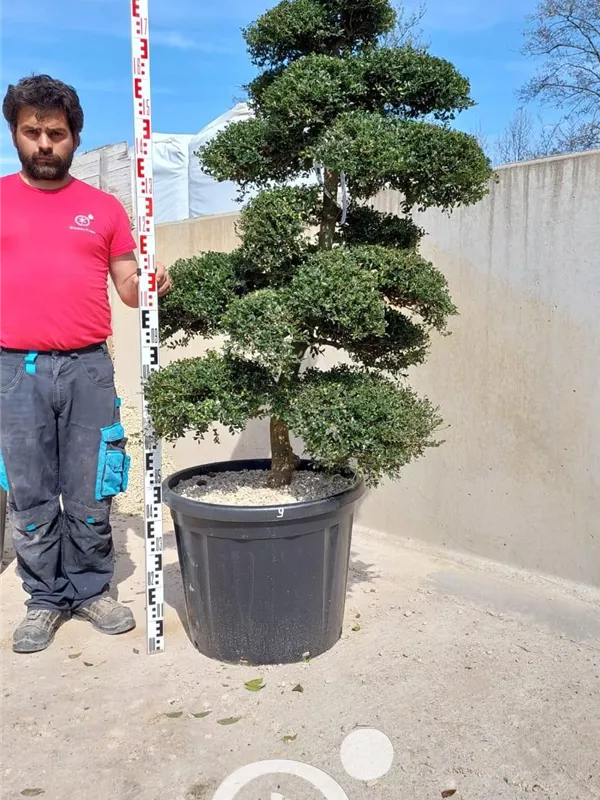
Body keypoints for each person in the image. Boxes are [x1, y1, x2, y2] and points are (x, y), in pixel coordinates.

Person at [0, 74, 172, 653]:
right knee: (30, 491)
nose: (44, 143)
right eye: (32, 132)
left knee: (93, 486)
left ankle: (93, 589)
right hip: (14, 372)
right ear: (15, 134)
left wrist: (149, 284)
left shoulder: (104, 209)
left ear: (74, 136)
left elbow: (127, 285)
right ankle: (45, 599)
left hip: (88, 369)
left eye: (56, 133)